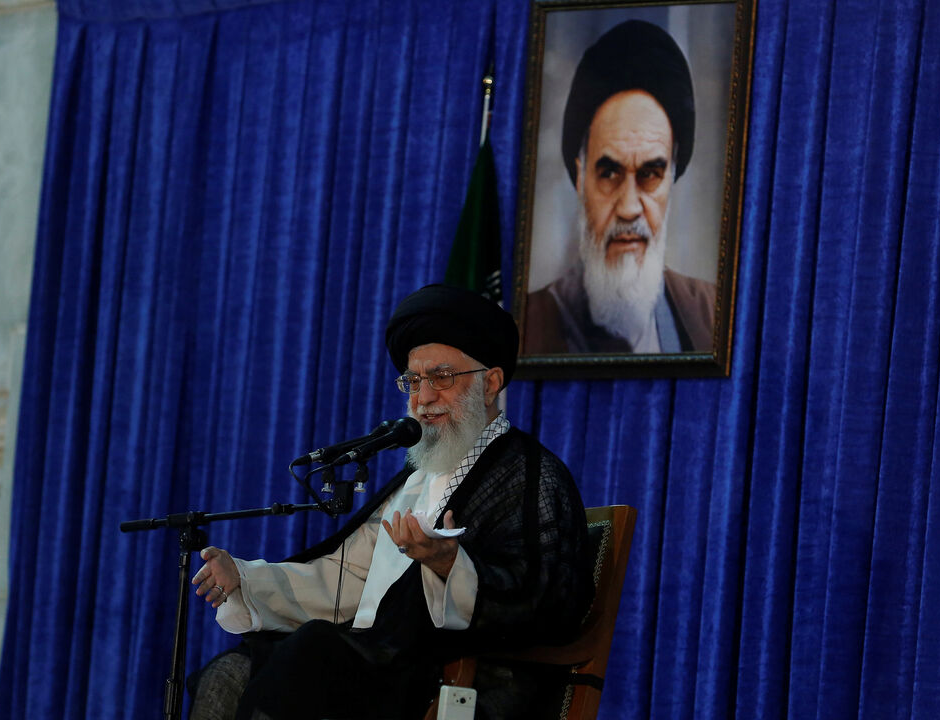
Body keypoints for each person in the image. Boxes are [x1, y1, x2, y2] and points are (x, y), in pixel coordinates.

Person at [188, 284, 593, 720]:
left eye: (442, 377)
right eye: (414, 381)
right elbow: (349, 575)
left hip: (460, 677)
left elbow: (552, 601)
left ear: (490, 383)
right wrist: (246, 580)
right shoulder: (420, 475)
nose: (423, 398)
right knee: (231, 672)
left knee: (310, 653)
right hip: (375, 661)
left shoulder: (532, 473)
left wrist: (449, 565)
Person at [523, 20, 716, 355]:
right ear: (581, 176)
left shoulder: (713, 313)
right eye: (610, 173)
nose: (629, 207)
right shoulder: (523, 327)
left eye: (650, 174)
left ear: (671, 177)